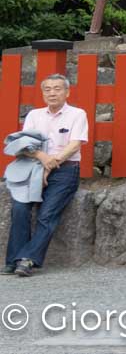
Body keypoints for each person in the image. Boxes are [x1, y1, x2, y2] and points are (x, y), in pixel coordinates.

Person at [6, 75, 87, 277]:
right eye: (48, 89)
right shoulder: (34, 115)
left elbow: (75, 144)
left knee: (47, 214)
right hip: (33, 167)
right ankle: (13, 260)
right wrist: (42, 158)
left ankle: (28, 259)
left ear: (67, 92)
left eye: (57, 89)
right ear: (43, 93)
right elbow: (25, 145)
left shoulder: (77, 114)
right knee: (19, 208)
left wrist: (51, 164)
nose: (52, 93)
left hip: (66, 169)